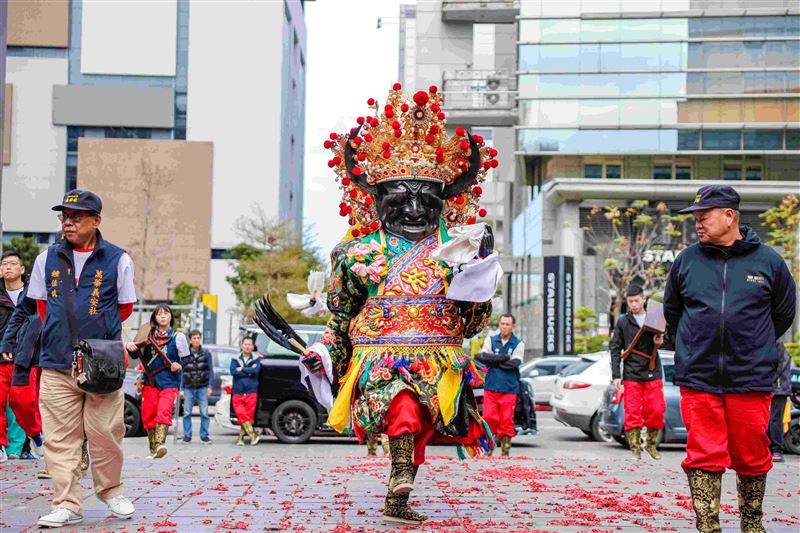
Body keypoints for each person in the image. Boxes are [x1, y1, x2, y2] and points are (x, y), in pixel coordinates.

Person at [298, 84, 501, 524]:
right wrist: (322, 353)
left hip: (440, 360)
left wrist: (481, 272)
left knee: (419, 420)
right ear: (376, 199)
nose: (413, 208)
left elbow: (471, 324)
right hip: (381, 359)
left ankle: (401, 482)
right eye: (400, 196)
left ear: (443, 203)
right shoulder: (355, 254)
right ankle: (401, 475)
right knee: (402, 407)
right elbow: (341, 315)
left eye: (424, 198)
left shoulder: (460, 251)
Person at [664, 184, 796, 533]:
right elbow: (672, 313)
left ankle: (752, 524)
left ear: (729, 215)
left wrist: (753, 344)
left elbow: (782, 316)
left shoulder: (769, 261)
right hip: (699, 377)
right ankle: (708, 525)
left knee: (752, 455)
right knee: (703, 455)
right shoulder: (686, 260)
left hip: (750, 377)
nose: (698, 224)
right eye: (695, 218)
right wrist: (690, 351)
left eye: (704, 216)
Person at [22, 189, 138, 527]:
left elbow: (126, 308)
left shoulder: (119, 259)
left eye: (76, 217)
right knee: (59, 438)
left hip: (102, 363)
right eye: (64, 217)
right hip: (57, 361)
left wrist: (95, 334)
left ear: (96, 221)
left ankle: (111, 490)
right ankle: (67, 503)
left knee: (105, 433)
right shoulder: (47, 259)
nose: (68, 223)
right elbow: (43, 307)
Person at [609, 285, 665, 461]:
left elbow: (669, 338)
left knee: (656, 410)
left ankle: (650, 443)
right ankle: (635, 448)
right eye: (630, 301)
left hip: (652, 369)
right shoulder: (623, 322)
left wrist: (661, 340)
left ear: (644, 299)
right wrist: (616, 375)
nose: (633, 304)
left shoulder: (655, 316)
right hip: (631, 372)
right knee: (632, 412)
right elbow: (615, 348)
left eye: (636, 300)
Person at [0, 250, 45, 464]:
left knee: (25, 402)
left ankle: (34, 436)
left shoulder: (34, 292)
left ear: (22, 269)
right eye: (4, 264)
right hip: (1, 358)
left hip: (27, 358)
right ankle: (2, 446)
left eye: (12, 263)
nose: (7, 267)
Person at [127, 305, 186, 459]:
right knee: (148, 415)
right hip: (150, 380)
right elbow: (136, 356)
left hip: (169, 381)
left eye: (166, 313)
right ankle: (153, 449)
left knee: (163, 411)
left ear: (171, 317)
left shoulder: (178, 337)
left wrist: (179, 365)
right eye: (159, 314)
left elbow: (187, 359)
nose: (163, 316)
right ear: (154, 318)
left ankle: (160, 443)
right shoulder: (147, 334)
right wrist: (130, 348)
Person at [476, 314, 524, 457]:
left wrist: (493, 361)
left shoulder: (518, 343)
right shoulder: (491, 340)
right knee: (489, 417)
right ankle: (489, 447)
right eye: (502, 323)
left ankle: (505, 450)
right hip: (491, 387)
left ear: (513, 326)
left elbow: (514, 363)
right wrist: (503, 358)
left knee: (506, 420)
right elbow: (482, 358)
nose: (504, 326)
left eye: (507, 324)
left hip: (509, 389)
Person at [180, 330, 213, 444]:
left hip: (202, 387)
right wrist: (181, 389)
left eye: (198, 338)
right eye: (194, 338)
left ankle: (204, 436)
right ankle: (187, 436)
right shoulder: (185, 354)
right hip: (188, 387)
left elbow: (210, 371)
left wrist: (210, 386)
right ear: (190, 339)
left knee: (204, 413)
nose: (196, 340)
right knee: (187, 413)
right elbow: (181, 372)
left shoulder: (206, 353)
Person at [230, 336, 260, 446]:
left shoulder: (256, 358)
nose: (247, 346)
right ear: (242, 345)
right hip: (238, 391)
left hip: (251, 391)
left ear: (252, 347)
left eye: (249, 344)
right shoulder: (235, 358)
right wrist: (249, 371)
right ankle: (253, 435)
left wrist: (242, 369)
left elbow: (255, 371)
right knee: (241, 414)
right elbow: (233, 372)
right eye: (245, 344)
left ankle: (241, 439)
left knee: (248, 415)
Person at [768, 341, 792, 463]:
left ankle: (777, 450)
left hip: (778, 388)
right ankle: (771, 449)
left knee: (775, 419)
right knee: (768, 419)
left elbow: (779, 366)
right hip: (773, 387)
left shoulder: (777, 344)